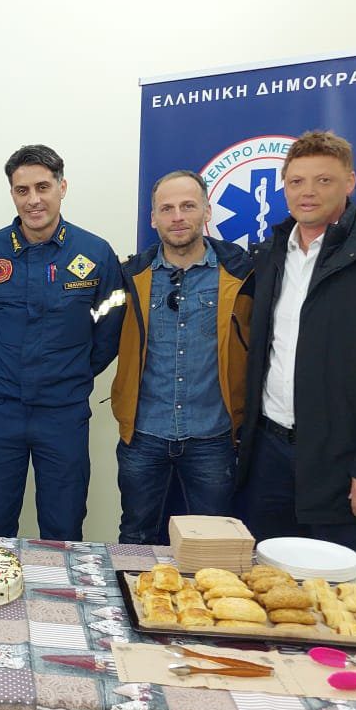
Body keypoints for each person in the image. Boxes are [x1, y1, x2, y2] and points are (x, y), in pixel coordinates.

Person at [236, 130, 356, 554]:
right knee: (268, 581)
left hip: (348, 464)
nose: (308, 192)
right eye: (297, 181)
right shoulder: (270, 255)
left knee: (341, 588)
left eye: (323, 180)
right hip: (270, 457)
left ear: (350, 182)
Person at [0, 144, 125, 540]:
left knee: (63, 527)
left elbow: (110, 331)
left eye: (42, 187)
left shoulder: (95, 253)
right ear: (12, 194)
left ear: (61, 187)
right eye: (22, 190)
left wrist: (73, 371)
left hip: (62, 412)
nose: (33, 200)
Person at [111, 170, 253, 544]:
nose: (177, 217)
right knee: (136, 536)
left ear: (207, 212)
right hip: (143, 434)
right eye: (167, 208)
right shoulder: (129, 276)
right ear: (153, 218)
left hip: (214, 437)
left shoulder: (243, 274)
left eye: (188, 206)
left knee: (214, 543)